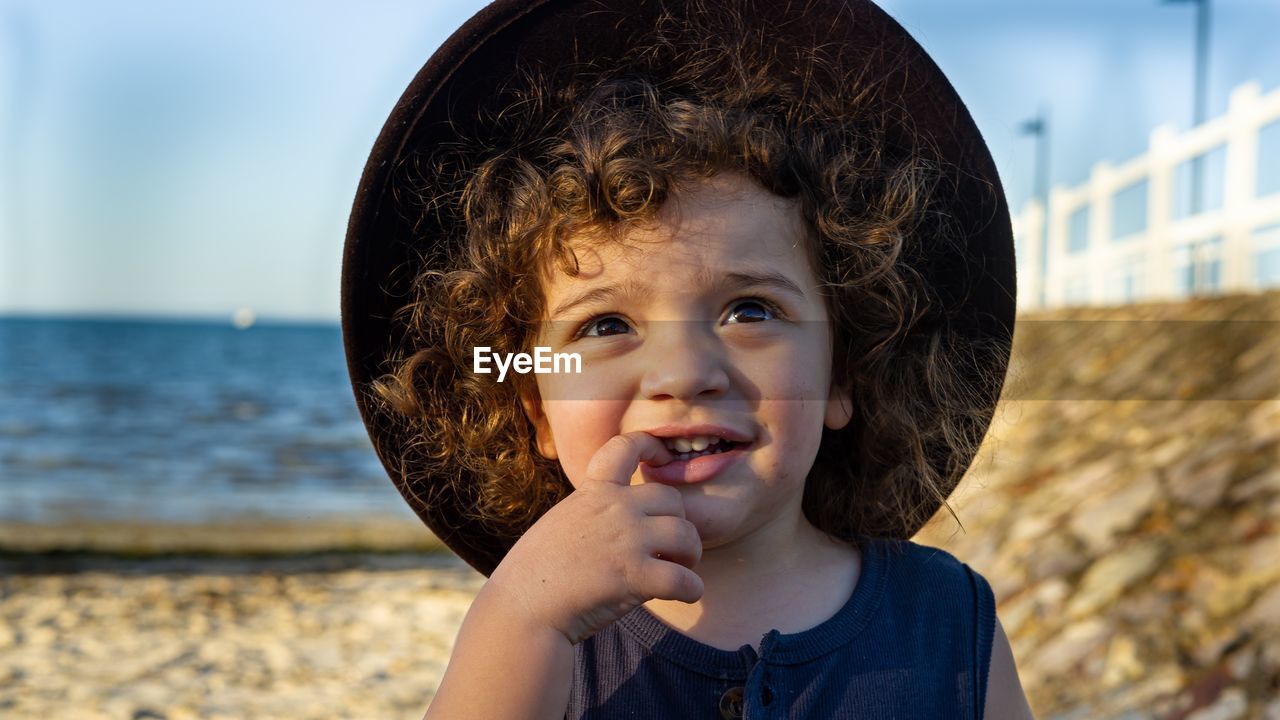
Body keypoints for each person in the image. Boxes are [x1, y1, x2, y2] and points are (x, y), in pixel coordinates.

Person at [340, 1, 1035, 717]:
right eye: (605, 324)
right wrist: (524, 617)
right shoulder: (529, 636)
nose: (683, 373)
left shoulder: (950, 623)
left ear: (841, 374)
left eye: (750, 311)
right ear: (536, 410)